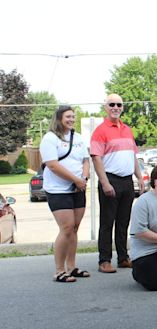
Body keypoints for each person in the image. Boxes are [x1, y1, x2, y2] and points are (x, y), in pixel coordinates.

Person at [90, 94, 144, 273]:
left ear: (122, 107)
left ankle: (123, 257)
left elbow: (132, 156)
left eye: (119, 104)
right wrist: (105, 183)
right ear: (105, 107)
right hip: (110, 180)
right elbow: (96, 159)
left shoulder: (127, 129)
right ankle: (104, 260)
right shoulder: (100, 130)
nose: (115, 107)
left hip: (127, 181)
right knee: (107, 223)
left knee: (123, 222)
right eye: (111, 104)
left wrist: (139, 177)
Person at [40, 105, 90, 282]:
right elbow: (52, 165)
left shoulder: (78, 138)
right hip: (58, 190)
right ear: (59, 118)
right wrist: (75, 180)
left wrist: (83, 178)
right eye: (68, 116)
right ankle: (59, 270)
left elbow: (85, 160)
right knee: (66, 228)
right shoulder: (50, 138)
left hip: (78, 189)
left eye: (73, 116)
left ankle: (72, 266)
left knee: (75, 228)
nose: (71, 119)